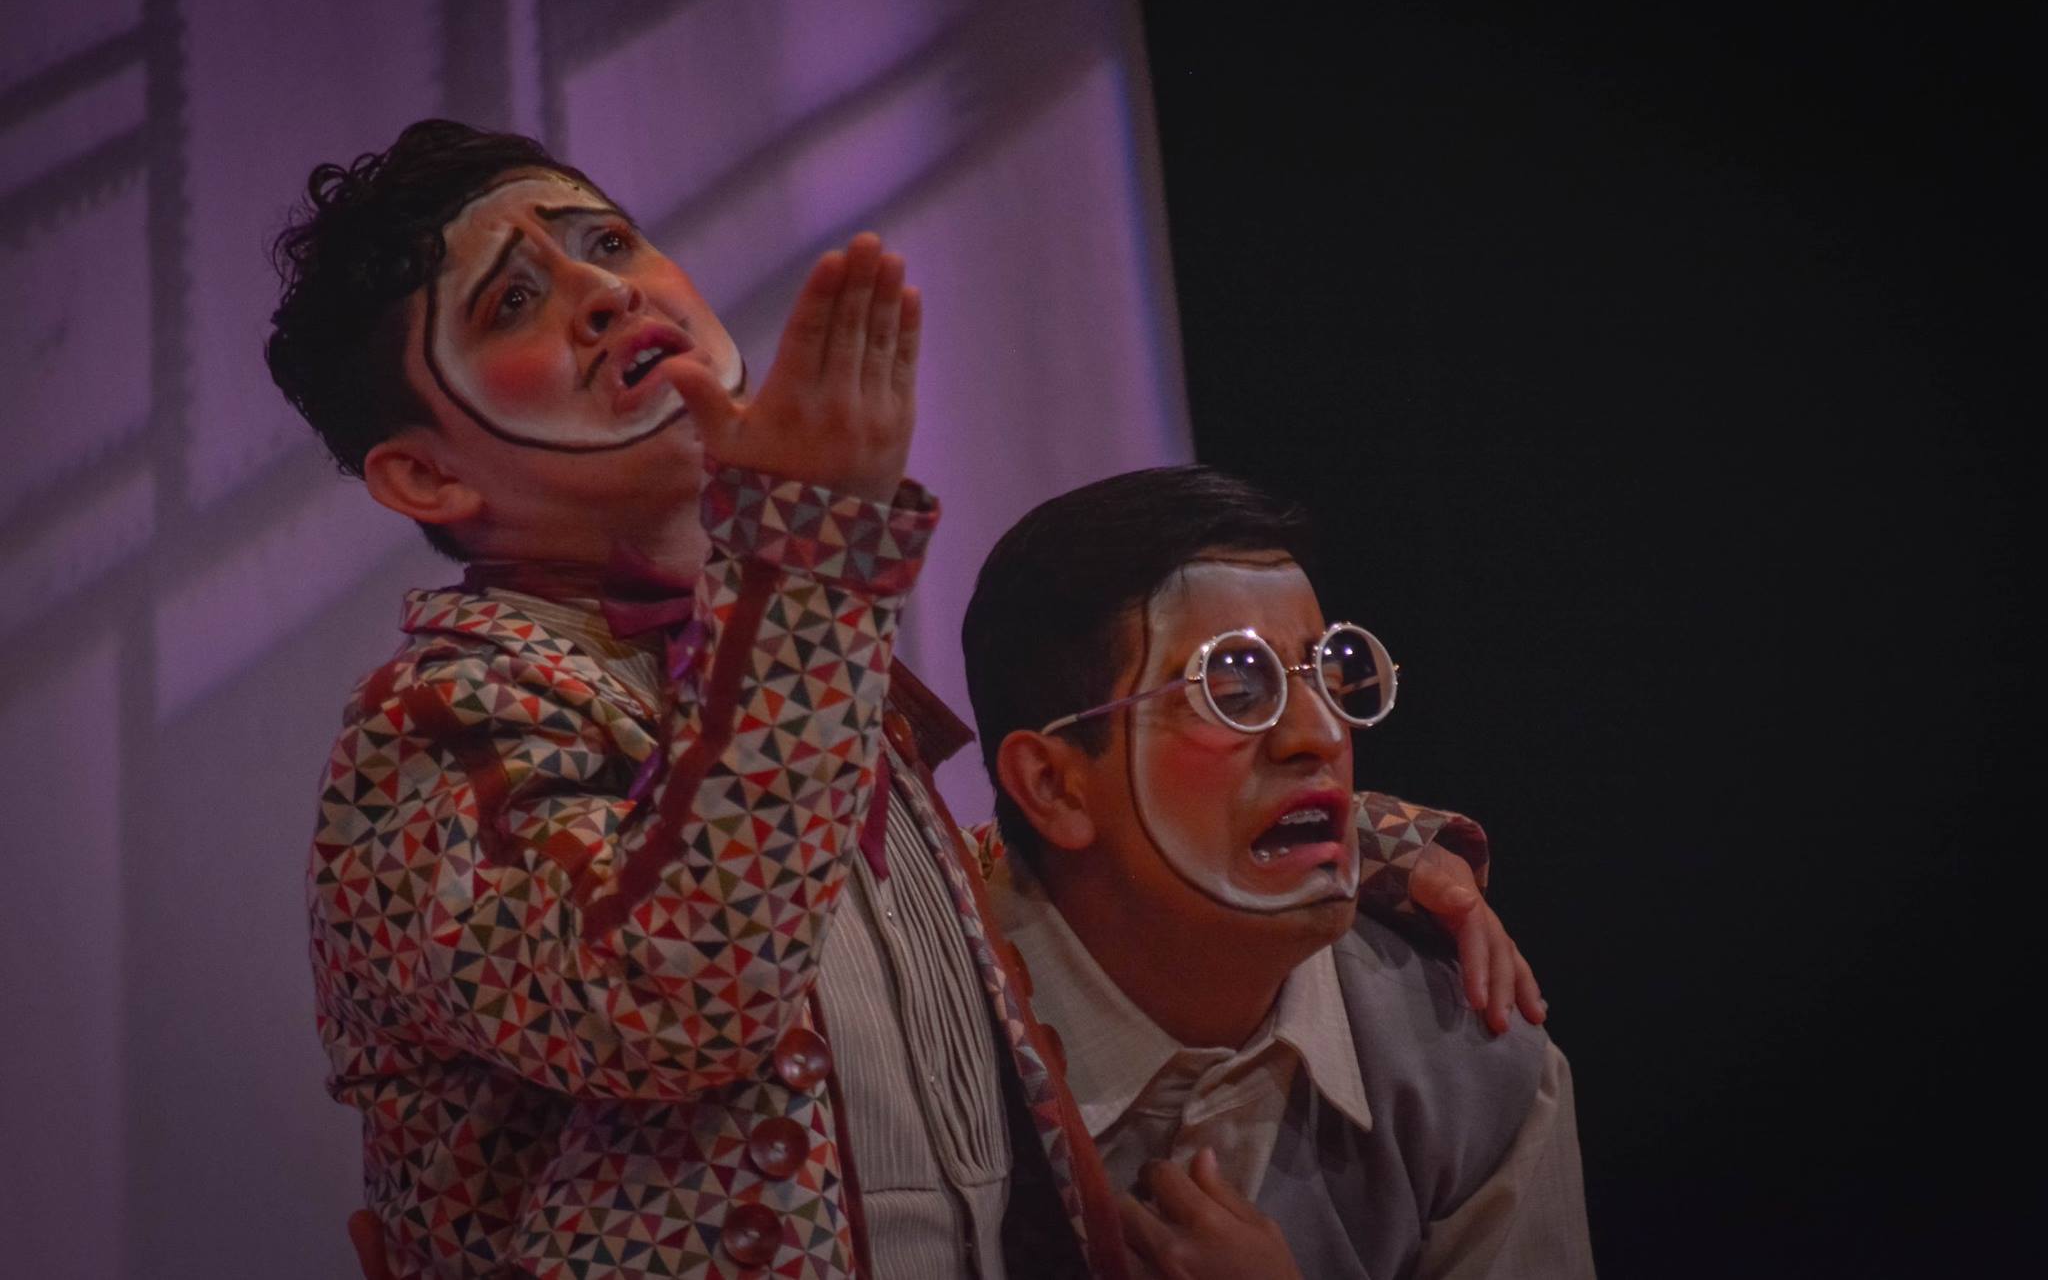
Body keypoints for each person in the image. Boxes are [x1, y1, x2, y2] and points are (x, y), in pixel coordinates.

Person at [273, 119, 1535, 1279]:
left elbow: (1001, 883)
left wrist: (1373, 842)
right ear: (425, 477)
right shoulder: (430, 732)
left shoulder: (768, 648)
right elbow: (671, 993)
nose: (603, 292)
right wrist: (809, 553)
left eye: (607, 243)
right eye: (511, 300)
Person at [963, 466, 1593, 1279]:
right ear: (1053, 784)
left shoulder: (1472, 1058)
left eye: (1330, 674)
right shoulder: (916, 1052)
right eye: (1231, 688)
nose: (1320, 733)